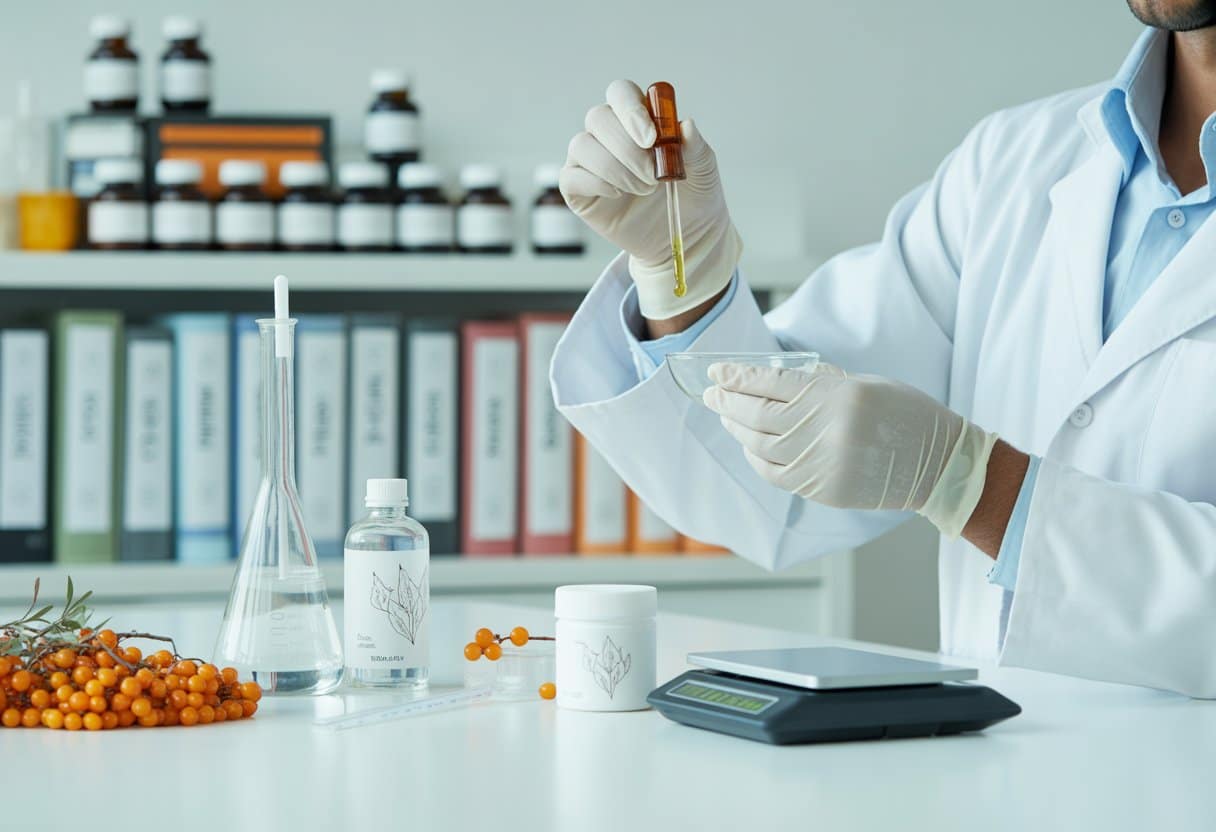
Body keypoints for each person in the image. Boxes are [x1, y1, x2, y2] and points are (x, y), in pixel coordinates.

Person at [551, 1, 1216, 698]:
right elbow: (781, 499)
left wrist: (975, 487)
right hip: (1005, 785)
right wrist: (680, 271)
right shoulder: (1014, 164)